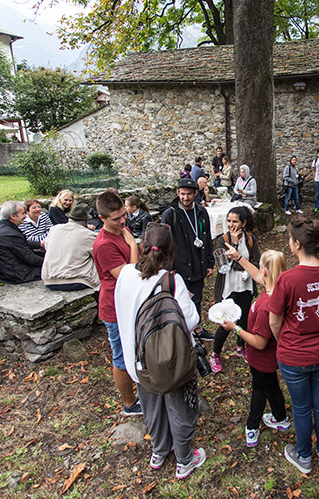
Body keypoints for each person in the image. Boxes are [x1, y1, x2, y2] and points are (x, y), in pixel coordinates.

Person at [114, 223, 206, 479]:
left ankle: (159, 450)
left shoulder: (123, 275)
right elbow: (191, 320)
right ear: (171, 252)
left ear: (143, 247)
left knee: (152, 406)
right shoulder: (171, 281)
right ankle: (185, 459)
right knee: (179, 407)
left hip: (138, 361)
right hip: (169, 361)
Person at [268, 215, 319, 474]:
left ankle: (304, 457)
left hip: (295, 356)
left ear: (296, 245)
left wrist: (286, 342)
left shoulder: (287, 280)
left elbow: (274, 321)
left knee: (302, 408)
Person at [220, 250, 291, 447]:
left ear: (266, 272)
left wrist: (236, 328)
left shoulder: (266, 306)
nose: (259, 271)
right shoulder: (277, 287)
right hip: (267, 359)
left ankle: (253, 425)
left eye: (261, 267)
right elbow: (256, 275)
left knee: (261, 390)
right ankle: (280, 418)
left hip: (262, 359)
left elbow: (260, 342)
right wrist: (239, 258)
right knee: (269, 387)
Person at [93, 191, 142, 416]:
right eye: (116, 218)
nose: (123, 221)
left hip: (130, 303)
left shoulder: (124, 231)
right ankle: (129, 404)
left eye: (123, 214)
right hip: (114, 308)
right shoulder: (103, 244)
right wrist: (133, 246)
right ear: (102, 218)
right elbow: (129, 275)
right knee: (121, 356)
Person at [161, 178, 215, 342]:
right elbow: (163, 243)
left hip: (198, 263)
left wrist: (209, 263)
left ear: (195, 193)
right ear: (178, 193)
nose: (185, 198)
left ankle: (197, 329)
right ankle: (181, 333)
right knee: (179, 301)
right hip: (179, 266)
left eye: (189, 194)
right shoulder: (170, 214)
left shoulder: (201, 211)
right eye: (182, 194)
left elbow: (207, 238)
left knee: (196, 298)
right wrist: (167, 269)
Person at [210, 206, 261, 372]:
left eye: (235, 221)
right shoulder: (222, 240)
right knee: (226, 322)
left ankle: (241, 347)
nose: (231, 225)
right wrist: (235, 244)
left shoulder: (251, 239)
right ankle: (215, 354)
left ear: (243, 222)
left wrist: (246, 266)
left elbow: (257, 263)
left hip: (245, 286)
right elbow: (224, 266)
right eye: (229, 221)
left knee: (244, 319)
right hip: (229, 287)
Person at [42, 205, 100, 292]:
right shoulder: (88, 235)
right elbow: (99, 255)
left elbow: (46, 246)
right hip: (77, 280)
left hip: (49, 279)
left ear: (69, 219)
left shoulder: (54, 230)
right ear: (86, 222)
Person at [0, 201, 44, 284]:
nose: (25, 216)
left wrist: (40, 243)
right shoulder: (10, 234)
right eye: (23, 213)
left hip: (0, 270)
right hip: (14, 274)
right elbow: (29, 258)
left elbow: (21, 243)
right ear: (12, 216)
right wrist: (49, 262)